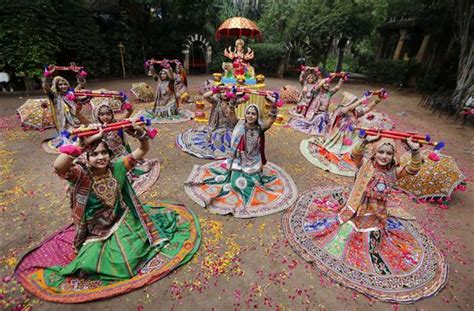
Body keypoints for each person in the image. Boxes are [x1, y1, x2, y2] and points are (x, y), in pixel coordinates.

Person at [15, 126, 201, 303]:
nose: (100, 157)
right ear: (86, 158)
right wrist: (80, 146)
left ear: (110, 155)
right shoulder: (81, 174)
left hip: (121, 220)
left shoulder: (118, 167)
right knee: (93, 265)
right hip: (95, 232)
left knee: (130, 257)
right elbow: (59, 168)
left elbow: (142, 150)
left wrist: (140, 135)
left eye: (104, 152)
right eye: (94, 154)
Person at [282, 135, 448, 303]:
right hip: (355, 209)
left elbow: (413, 168)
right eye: (381, 152)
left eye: (388, 153)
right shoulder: (365, 165)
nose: (384, 156)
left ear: (393, 156)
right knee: (346, 229)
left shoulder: (393, 173)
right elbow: (355, 156)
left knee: (372, 242)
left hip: (377, 215)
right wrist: (365, 141)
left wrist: (415, 149)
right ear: (374, 154)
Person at [184, 99, 298, 218]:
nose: (250, 116)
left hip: (253, 161)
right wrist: (232, 103)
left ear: (257, 116)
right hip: (238, 160)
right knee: (234, 184)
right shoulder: (239, 124)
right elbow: (231, 114)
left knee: (254, 183)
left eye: (253, 113)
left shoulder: (260, 128)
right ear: (245, 114)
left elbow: (270, 121)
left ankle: (251, 194)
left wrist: (273, 106)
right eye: (248, 113)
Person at [300, 90, 387, 176]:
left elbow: (367, 108)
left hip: (351, 135)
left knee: (356, 148)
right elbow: (348, 108)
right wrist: (363, 99)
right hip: (340, 136)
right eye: (354, 103)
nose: (357, 105)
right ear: (348, 103)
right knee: (342, 149)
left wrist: (378, 100)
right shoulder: (342, 110)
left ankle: (352, 151)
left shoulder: (355, 112)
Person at [83, 100, 160, 196]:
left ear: (112, 114)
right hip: (105, 156)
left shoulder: (118, 124)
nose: (105, 117)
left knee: (124, 175)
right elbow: (85, 142)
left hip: (120, 155)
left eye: (108, 114)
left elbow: (130, 110)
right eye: (102, 114)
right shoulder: (95, 128)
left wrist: (124, 100)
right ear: (98, 116)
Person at [176, 87, 250, 159]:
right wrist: (215, 89)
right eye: (222, 92)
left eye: (226, 92)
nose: (224, 94)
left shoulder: (232, 102)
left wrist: (242, 92)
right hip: (216, 128)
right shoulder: (216, 101)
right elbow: (205, 96)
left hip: (229, 128)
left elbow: (247, 97)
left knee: (233, 141)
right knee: (217, 141)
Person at [41, 67, 88, 152]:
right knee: (70, 136)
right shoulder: (55, 96)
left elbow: (81, 85)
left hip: (76, 119)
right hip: (64, 123)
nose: (63, 86)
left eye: (65, 84)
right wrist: (47, 76)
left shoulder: (72, 93)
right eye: (60, 84)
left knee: (85, 130)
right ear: (57, 86)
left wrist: (81, 74)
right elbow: (46, 87)